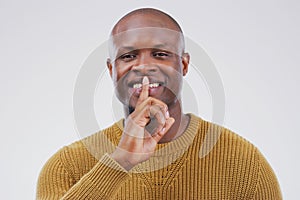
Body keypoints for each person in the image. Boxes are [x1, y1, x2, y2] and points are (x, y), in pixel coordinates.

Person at [36, 8, 282, 199]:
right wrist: (120, 161)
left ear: (183, 65)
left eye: (161, 54)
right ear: (112, 69)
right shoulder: (67, 167)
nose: (143, 66)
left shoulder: (244, 162)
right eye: (128, 56)